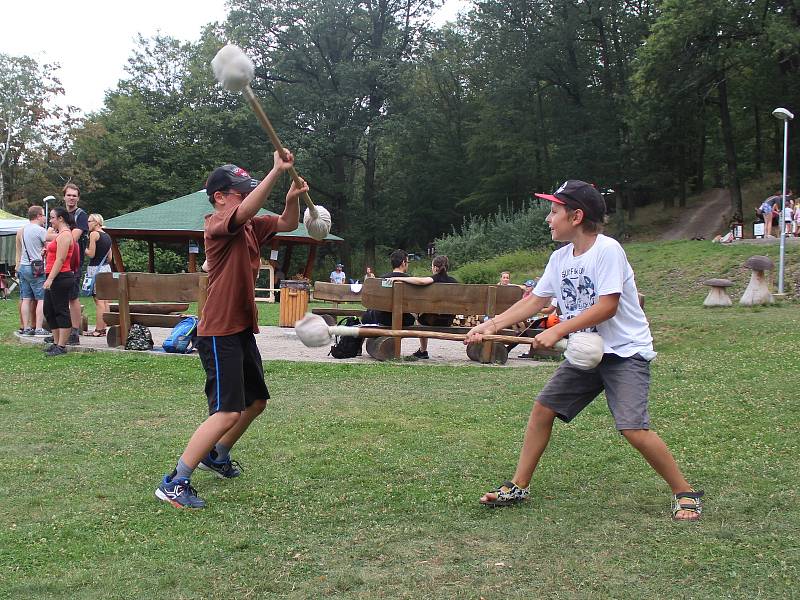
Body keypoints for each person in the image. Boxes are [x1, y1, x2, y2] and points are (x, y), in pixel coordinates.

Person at [465, 180, 703, 521]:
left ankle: (684, 491)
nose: (548, 219)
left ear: (576, 216)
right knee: (543, 410)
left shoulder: (607, 250)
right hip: (586, 351)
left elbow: (607, 305)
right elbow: (535, 300)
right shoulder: (560, 257)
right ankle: (519, 485)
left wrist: (559, 329)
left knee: (632, 428)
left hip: (624, 352)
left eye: (554, 211)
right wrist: (492, 325)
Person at [155, 151, 307, 509]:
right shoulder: (217, 223)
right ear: (220, 196)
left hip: (239, 329)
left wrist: (291, 198)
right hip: (219, 330)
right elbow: (244, 212)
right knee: (226, 412)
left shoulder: (252, 225)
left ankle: (217, 454)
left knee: (255, 403)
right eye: (239, 192)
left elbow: (287, 223)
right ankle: (174, 482)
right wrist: (275, 171)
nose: (244, 197)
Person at [388, 255, 457, 359]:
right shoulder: (454, 282)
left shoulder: (435, 278)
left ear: (434, 268)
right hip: (448, 320)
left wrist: (397, 278)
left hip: (432, 320)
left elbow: (421, 281)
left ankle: (423, 350)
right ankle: (422, 350)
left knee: (418, 317)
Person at [42, 207, 76, 356]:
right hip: (53, 274)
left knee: (60, 310)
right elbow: (55, 252)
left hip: (60, 277)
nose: (50, 221)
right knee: (48, 310)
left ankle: (62, 346)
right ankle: (56, 342)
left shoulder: (65, 235)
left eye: (52, 218)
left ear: (60, 218)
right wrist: (47, 251)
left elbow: (61, 259)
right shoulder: (59, 235)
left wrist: (50, 279)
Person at [15, 205, 48, 336]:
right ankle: (39, 328)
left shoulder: (23, 230)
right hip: (36, 267)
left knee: (26, 298)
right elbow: (51, 242)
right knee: (41, 298)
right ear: (38, 216)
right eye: (44, 215)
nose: (45, 217)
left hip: (23, 266)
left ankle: (26, 327)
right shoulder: (39, 230)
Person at [62, 183, 89, 345]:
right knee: (60, 298)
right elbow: (49, 234)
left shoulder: (81, 215)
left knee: (73, 297)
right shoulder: (61, 214)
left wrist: (56, 237)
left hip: (73, 263)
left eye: (74, 195)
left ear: (78, 198)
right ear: (64, 196)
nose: (71, 198)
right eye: (69, 195)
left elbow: (73, 239)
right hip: (58, 261)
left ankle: (74, 332)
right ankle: (60, 331)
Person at [362, 249, 415, 328]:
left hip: (383, 318)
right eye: (408, 262)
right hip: (404, 320)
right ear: (403, 263)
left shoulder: (381, 280)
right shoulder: (411, 281)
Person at [84, 214, 113, 336]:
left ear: (96, 222)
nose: (87, 223)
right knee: (106, 301)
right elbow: (110, 257)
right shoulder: (107, 236)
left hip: (96, 269)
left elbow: (91, 254)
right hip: (106, 268)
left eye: (89, 221)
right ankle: (104, 328)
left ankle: (98, 330)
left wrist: (81, 247)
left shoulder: (94, 234)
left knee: (99, 301)